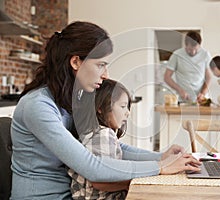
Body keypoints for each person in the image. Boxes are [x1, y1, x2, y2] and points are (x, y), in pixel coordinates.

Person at [10, 21, 200, 199]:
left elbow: (110, 146)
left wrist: (162, 156)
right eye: (100, 65)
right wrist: (160, 166)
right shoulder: (38, 106)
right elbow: (91, 166)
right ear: (75, 62)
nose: (106, 75)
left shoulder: (70, 100)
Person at [68, 79, 132, 199]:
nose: (127, 113)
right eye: (123, 106)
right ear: (100, 108)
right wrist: (130, 183)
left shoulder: (92, 133)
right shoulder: (103, 135)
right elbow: (101, 181)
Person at [164, 31, 211, 103]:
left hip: (202, 100)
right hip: (183, 100)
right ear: (185, 45)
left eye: (196, 49)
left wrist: (203, 93)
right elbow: (167, 77)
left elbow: (208, 77)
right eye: (190, 49)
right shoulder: (177, 54)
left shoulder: (205, 54)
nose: (193, 52)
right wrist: (180, 90)